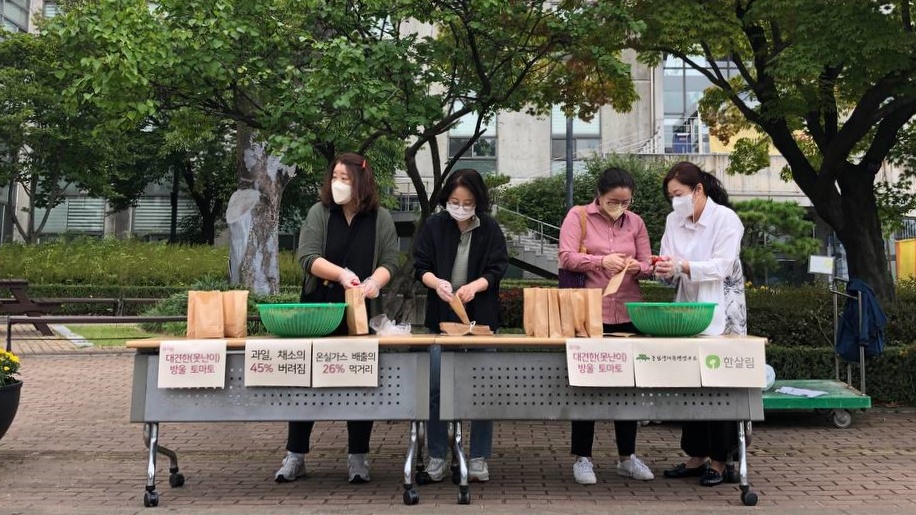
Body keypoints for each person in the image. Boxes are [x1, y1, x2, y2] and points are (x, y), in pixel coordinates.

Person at [275, 153, 399, 484]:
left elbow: (391, 260)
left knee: (360, 381)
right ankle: (295, 454)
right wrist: (342, 274)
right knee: (306, 379)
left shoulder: (380, 217)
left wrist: (374, 281)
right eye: (335, 177)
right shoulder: (320, 213)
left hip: (360, 314)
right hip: (318, 309)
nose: (338, 183)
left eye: (345, 178)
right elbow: (307, 256)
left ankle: (358, 457)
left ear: (362, 182)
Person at [557, 167, 655, 485]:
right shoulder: (578, 216)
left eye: (626, 202)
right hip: (588, 314)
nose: (620, 207)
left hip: (627, 312)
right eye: (615, 200)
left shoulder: (636, 222)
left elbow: (646, 264)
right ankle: (582, 457)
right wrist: (601, 261)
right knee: (587, 385)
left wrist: (634, 266)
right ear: (600, 195)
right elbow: (566, 256)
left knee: (627, 388)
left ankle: (627, 456)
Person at [653, 161, 747, 487]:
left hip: (722, 313)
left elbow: (721, 267)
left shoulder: (726, 220)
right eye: (671, 196)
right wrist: (663, 267)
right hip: (687, 312)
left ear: (698, 190)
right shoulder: (673, 220)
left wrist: (683, 265)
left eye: (679, 194)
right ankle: (695, 455)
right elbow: (668, 258)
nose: (675, 202)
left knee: (720, 385)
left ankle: (722, 461)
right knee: (692, 383)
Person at [413, 168, 509, 483]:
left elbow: (498, 267)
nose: (461, 207)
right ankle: (438, 457)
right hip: (441, 318)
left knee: (483, 388)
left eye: (468, 202)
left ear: (478, 201)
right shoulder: (435, 226)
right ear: (446, 200)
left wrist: (477, 285)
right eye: (455, 200)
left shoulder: (490, 228)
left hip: (481, 318)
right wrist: (437, 282)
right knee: (437, 389)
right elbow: (421, 266)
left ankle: (479, 457)